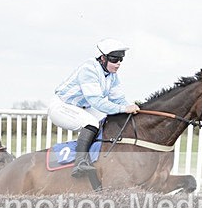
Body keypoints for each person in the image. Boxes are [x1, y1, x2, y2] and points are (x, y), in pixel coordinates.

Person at [48, 38, 140, 178]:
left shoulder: (112, 75)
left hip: (81, 107)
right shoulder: (89, 69)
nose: (119, 63)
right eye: (115, 59)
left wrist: (131, 109)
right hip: (62, 106)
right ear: (103, 58)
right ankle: (80, 163)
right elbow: (97, 102)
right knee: (91, 123)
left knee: (106, 122)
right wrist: (123, 109)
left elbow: (119, 100)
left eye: (121, 59)